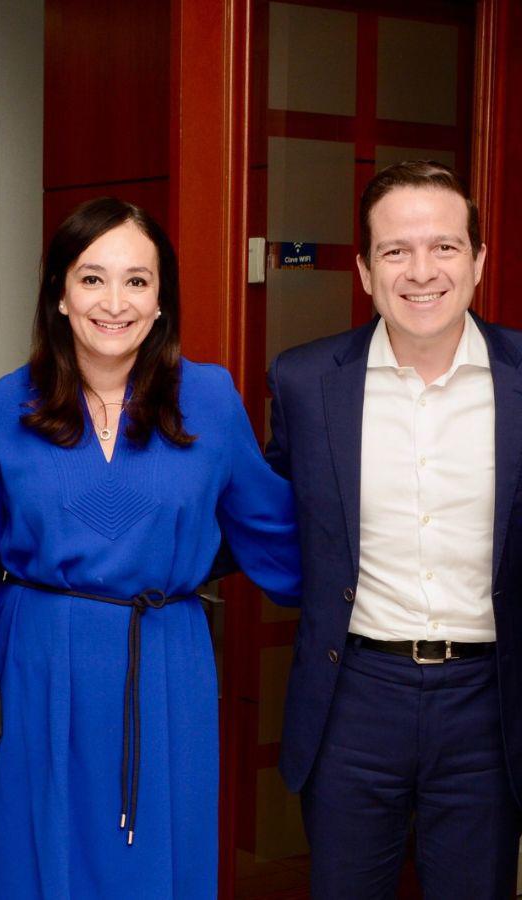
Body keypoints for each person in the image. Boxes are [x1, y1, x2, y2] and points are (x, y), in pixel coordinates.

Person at [0, 198, 301, 898]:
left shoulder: (210, 399)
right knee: (32, 855)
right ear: (59, 293)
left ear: (161, 299)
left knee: (153, 860)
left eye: (137, 281)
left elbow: (276, 533)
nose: (114, 302)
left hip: (165, 667)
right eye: (92, 278)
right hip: (35, 667)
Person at [268, 160, 522, 898]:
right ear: (364, 270)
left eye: (444, 246)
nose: (421, 271)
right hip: (355, 696)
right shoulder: (305, 382)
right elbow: (262, 514)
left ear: (478, 260)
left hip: (489, 700)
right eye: (395, 251)